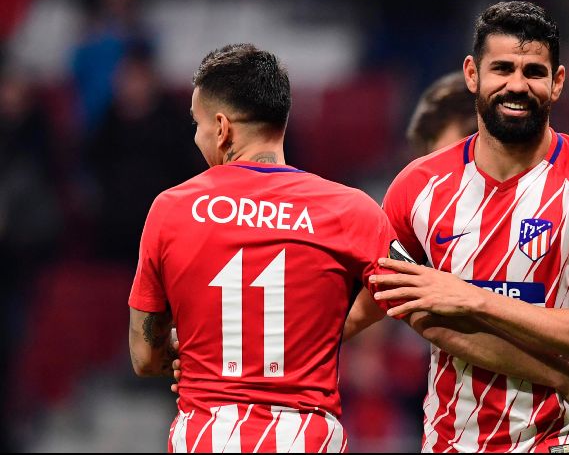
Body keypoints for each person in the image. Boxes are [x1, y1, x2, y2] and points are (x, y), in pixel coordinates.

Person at [366, 1, 569, 452]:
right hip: (453, 441)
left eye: (533, 71)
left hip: (565, 439)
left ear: (557, 83)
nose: (517, 84)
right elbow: (411, 314)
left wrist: (473, 300)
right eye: (502, 69)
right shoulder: (417, 186)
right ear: (473, 74)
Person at [128, 43, 404, 452]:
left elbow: (145, 357)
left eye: (197, 124)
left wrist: (197, 349)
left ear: (221, 128)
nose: (197, 136)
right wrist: (332, 331)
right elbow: (408, 284)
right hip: (306, 437)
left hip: (207, 436)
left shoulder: (171, 209)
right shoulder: (349, 209)